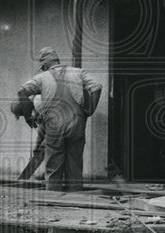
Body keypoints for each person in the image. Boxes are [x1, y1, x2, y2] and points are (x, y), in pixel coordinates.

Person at [14, 47, 102, 192]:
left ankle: (52, 199)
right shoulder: (78, 72)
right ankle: (75, 199)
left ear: (44, 65)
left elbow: (22, 92)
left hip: (54, 125)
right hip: (77, 123)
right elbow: (96, 87)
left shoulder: (42, 77)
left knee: (54, 164)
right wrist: (90, 110)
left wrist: (28, 117)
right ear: (57, 61)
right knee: (74, 164)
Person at [10, 94, 46, 180]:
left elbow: (53, 127)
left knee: (51, 149)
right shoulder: (34, 110)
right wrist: (38, 145)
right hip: (54, 128)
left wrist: (45, 142)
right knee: (42, 150)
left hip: (63, 125)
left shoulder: (40, 102)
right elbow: (42, 130)